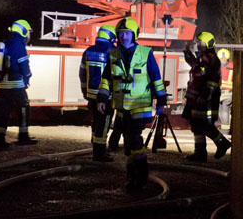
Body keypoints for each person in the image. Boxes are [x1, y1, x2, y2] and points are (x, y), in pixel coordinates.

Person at [97, 17, 167, 191]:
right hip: (122, 108)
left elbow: (156, 77)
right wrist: (102, 98)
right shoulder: (113, 54)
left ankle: (141, 177)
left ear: (134, 34)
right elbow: (106, 80)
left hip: (140, 107)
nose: (124, 37)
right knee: (128, 144)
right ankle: (132, 178)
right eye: (121, 33)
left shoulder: (145, 52)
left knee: (134, 140)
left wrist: (161, 100)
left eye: (127, 33)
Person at [183, 32, 231, 162]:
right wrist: (186, 51)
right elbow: (193, 63)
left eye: (200, 43)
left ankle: (222, 143)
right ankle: (200, 153)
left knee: (205, 125)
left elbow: (212, 80)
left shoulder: (212, 59)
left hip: (206, 100)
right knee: (196, 125)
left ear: (206, 44)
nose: (198, 45)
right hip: (196, 99)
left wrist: (205, 95)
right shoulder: (202, 58)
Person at [0, 19, 37, 149]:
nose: (28, 35)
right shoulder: (18, 45)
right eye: (27, 32)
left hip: (3, 84)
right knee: (24, 108)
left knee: (3, 112)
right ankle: (23, 137)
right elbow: (24, 65)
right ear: (22, 30)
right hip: (15, 83)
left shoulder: (6, 42)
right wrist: (28, 76)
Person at [79, 24, 117, 162]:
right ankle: (99, 153)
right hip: (106, 95)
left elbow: (82, 74)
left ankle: (95, 146)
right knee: (104, 123)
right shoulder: (113, 52)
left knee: (95, 121)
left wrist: (85, 91)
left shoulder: (88, 51)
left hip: (91, 95)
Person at [218, 48, 233, 137]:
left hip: (222, 92)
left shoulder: (219, 67)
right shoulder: (233, 66)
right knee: (225, 111)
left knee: (224, 112)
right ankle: (225, 130)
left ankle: (225, 132)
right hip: (229, 93)